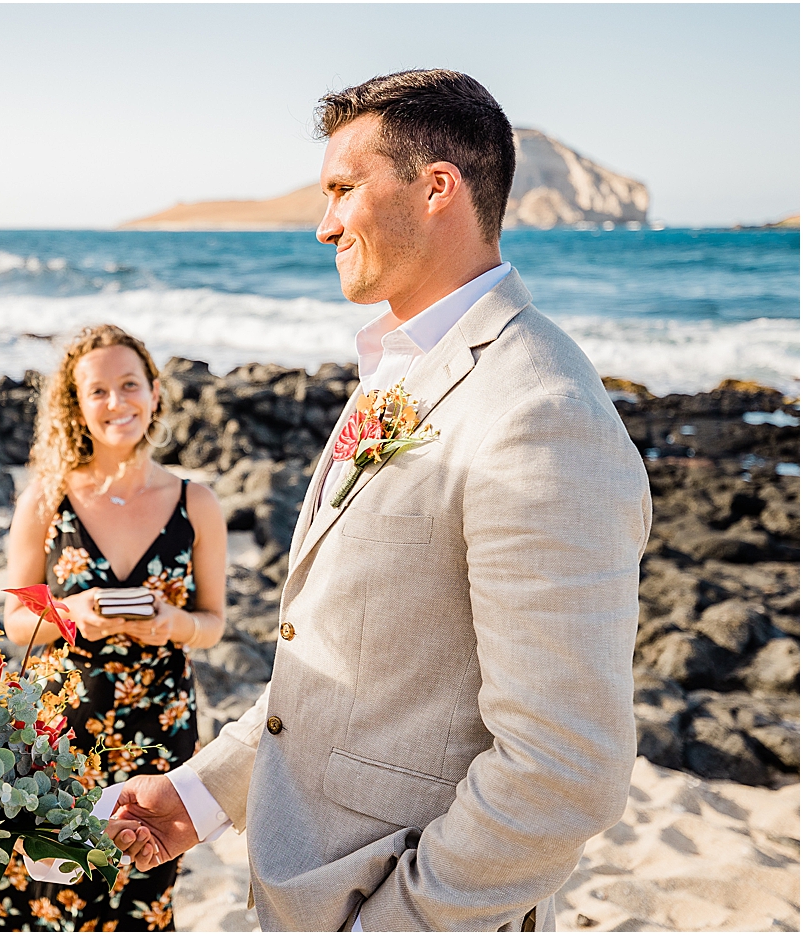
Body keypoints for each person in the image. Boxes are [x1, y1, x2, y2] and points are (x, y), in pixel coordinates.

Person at [111, 70, 651, 931]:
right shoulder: (401, 372)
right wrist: (196, 799)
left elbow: (564, 766)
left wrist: (391, 922)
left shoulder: (538, 412)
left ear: (437, 187)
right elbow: (359, 672)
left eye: (343, 190)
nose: (324, 223)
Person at [0, 324, 227, 932]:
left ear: (154, 394)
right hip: (59, 731)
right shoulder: (46, 499)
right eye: (98, 391)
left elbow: (214, 624)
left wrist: (174, 623)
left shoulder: (196, 503)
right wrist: (72, 613)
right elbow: (16, 621)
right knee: (41, 890)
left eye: (128, 385)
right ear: (76, 404)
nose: (116, 403)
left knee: (143, 893)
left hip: (160, 728)